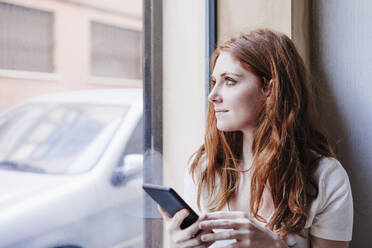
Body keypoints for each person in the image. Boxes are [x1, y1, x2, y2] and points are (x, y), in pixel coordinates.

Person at [158, 29, 353, 248]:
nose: (213, 96)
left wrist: (274, 246)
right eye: (214, 82)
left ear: (269, 88)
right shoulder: (204, 170)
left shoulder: (325, 178)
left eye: (230, 81)